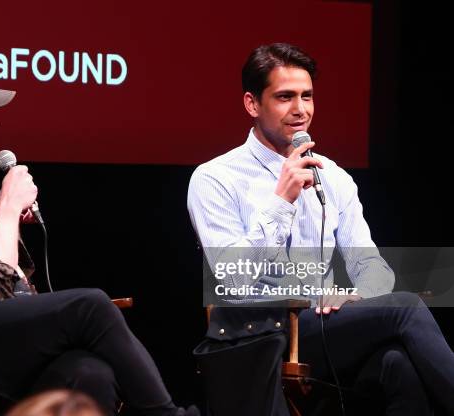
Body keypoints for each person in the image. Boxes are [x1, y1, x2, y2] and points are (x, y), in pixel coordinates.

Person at [0, 60, 199, 416]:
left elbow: (5, 270)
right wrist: (8, 209)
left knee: (90, 374)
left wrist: (7, 221)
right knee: (89, 305)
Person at [187, 43, 454, 415]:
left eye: (307, 96)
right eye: (284, 97)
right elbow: (234, 281)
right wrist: (281, 202)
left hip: (322, 326)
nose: (300, 110)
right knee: (406, 308)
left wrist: (355, 294)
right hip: (260, 334)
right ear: (252, 104)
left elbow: (374, 268)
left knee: (399, 364)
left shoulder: (335, 178)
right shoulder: (215, 178)